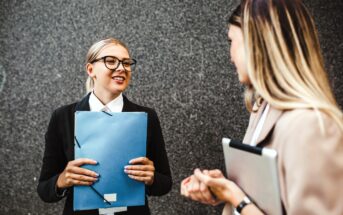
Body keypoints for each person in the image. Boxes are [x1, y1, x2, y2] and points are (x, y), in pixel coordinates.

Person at [181, 0, 343, 214]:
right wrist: (226, 189)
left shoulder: (311, 125)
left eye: (232, 41)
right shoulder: (262, 110)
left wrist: (236, 198)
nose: (230, 55)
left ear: (256, 42)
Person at [37, 38, 172, 215]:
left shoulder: (147, 116)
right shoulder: (63, 117)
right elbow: (44, 189)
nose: (122, 68)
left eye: (126, 62)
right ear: (91, 70)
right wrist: (62, 180)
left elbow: (165, 183)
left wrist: (151, 178)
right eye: (110, 61)